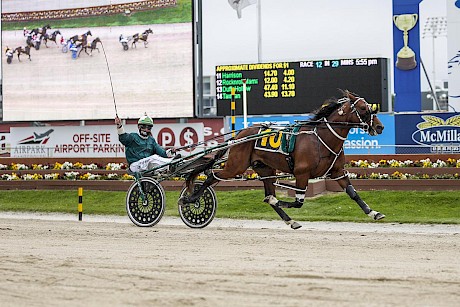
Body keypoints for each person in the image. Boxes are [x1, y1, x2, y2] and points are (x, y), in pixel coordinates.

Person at [115, 113, 180, 174]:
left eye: (148, 128)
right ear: (138, 127)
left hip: (147, 165)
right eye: (143, 127)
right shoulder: (133, 137)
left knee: (155, 161)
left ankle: (178, 164)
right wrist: (119, 126)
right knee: (153, 158)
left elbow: (162, 153)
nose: (146, 129)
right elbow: (123, 138)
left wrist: (171, 151)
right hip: (135, 166)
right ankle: (172, 163)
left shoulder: (151, 140)